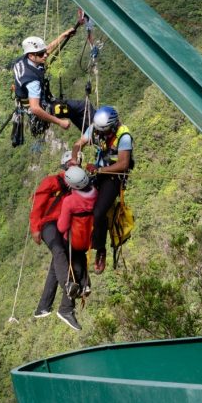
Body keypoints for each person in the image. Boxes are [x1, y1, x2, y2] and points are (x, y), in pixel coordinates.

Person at [70, 105, 133, 275]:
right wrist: (74, 158)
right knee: (77, 200)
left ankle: (100, 249)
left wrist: (99, 170)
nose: (99, 134)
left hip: (113, 177)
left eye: (103, 131)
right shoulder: (96, 129)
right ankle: (78, 241)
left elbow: (123, 164)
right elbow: (79, 144)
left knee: (99, 212)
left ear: (112, 127)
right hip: (98, 173)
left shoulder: (124, 136)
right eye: (98, 130)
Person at [12, 22, 90, 134]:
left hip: (31, 102)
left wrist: (63, 35)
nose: (45, 55)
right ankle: (93, 133)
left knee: (73, 110)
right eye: (41, 54)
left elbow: (47, 50)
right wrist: (60, 122)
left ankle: (88, 132)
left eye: (43, 52)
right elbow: (35, 108)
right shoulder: (32, 81)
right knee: (83, 107)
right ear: (31, 56)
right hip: (43, 107)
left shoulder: (23, 60)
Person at [29, 151, 74, 322]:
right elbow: (37, 204)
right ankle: (68, 286)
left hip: (63, 226)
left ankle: (43, 307)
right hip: (48, 224)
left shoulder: (76, 186)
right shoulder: (52, 181)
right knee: (58, 251)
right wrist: (35, 228)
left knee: (57, 263)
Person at [53, 166, 97, 331]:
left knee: (62, 257)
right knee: (78, 262)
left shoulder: (70, 201)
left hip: (72, 241)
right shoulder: (96, 193)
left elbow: (62, 226)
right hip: (87, 241)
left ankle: (71, 289)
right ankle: (84, 284)